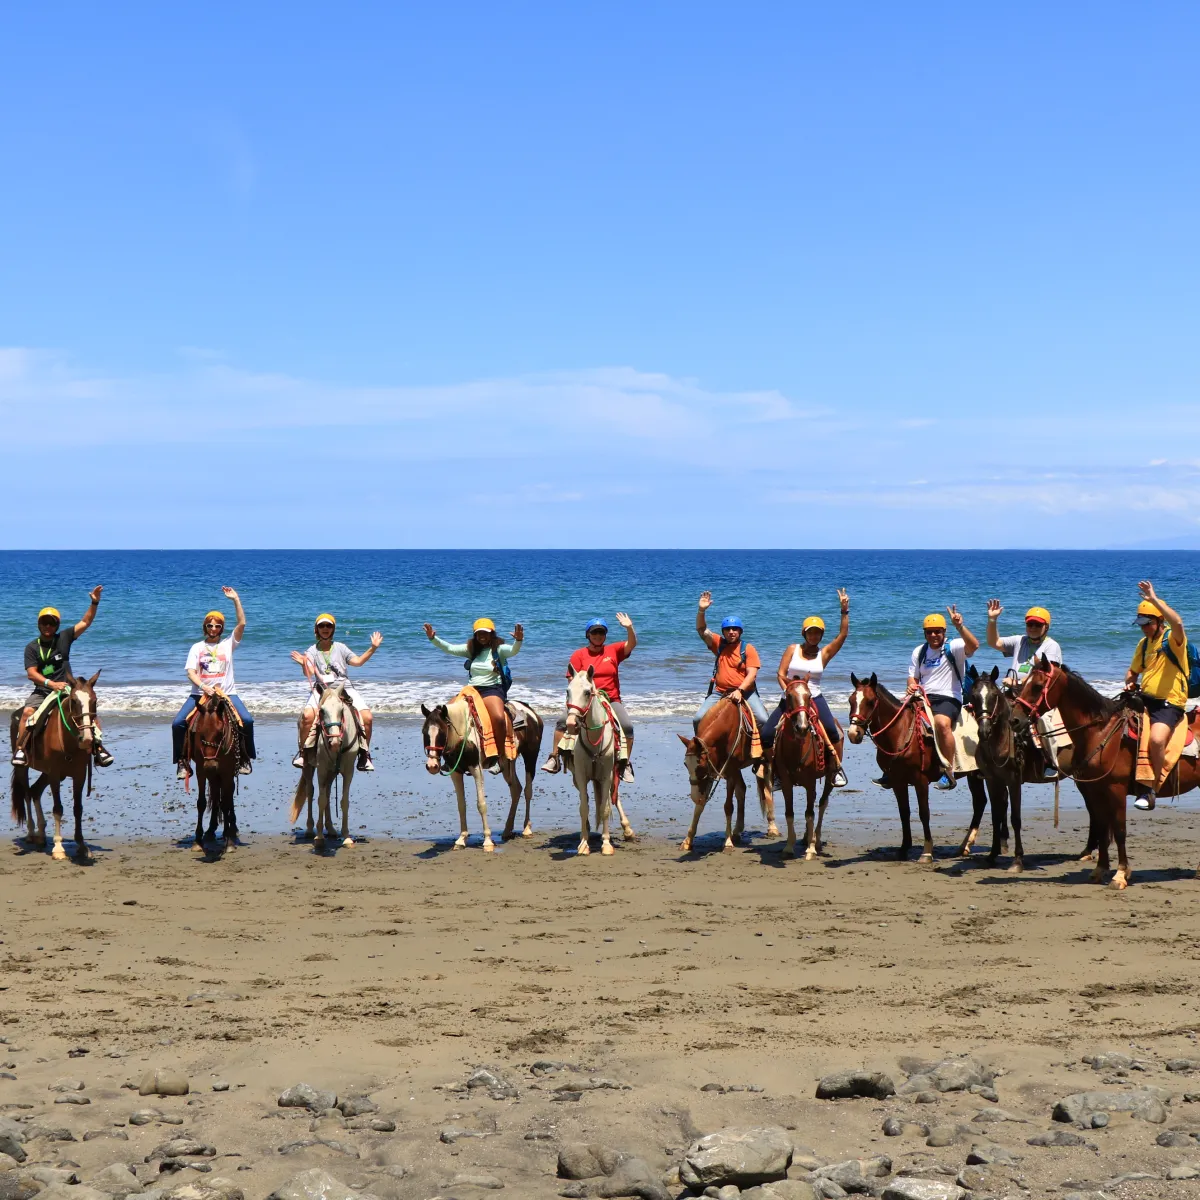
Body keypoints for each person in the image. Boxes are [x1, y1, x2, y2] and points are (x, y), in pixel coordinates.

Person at [12, 587, 114, 768]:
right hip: (43, 691)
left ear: (57, 625)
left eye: (51, 623)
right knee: (28, 713)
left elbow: (85, 622)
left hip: (68, 690)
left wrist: (94, 602)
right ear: (39, 624)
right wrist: (51, 683)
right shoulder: (32, 648)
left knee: (88, 712)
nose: (47, 626)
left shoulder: (64, 638)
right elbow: (31, 673)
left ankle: (98, 748)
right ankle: (21, 748)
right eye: (44, 623)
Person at [761, 590, 850, 788]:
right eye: (810, 632)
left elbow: (843, 635)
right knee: (767, 734)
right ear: (804, 633)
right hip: (791, 699)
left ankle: (835, 769)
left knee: (833, 733)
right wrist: (789, 692)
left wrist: (844, 611)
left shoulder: (824, 653)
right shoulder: (793, 649)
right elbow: (780, 673)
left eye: (817, 632)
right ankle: (774, 772)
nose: (814, 635)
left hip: (814, 697)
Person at [171, 588, 255, 780]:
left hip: (227, 693)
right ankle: (182, 762)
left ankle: (244, 758)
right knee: (177, 724)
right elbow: (190, 672)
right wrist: (203, 686)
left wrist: (236, 599)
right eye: (210, 625)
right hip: (199, 695)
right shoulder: (197, 647)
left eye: (217, 626)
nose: (213, 629)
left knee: (247, 721)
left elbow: (242, 623)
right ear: (205, 627)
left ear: (222, 628)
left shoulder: (228, 644)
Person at [542, 614, 637, 782]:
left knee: (627, 727)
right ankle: (554, 757)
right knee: (562, 722)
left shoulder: (613, 650)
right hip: (585, 700)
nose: (598, 636)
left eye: (601, 633)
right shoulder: (578, 655)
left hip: (610, 698)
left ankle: (625, 764)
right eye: (594, 633)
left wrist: (629, 628)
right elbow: (573, 683)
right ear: (588, 635)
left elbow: (631, 645)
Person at [423, 617, 523, 774]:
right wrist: (433, 638)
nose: (482, 636)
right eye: (479, 634)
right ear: (475, 635)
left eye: (486, 633)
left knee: (497, 717)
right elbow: (449, 648)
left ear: (492, 634)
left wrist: (518, 640)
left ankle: (498, 757)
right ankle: (449, 758)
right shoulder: (471, 649)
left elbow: (513, 651)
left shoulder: (499, 649)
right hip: (471, 690)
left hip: (492, 689)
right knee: (445, 713)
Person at [1125, 580, 1189, 811]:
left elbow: (1178, 622)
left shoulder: (1174, 640)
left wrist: (1155, 600)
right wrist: (1130, 679)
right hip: (1145, 699)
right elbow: (1134, 670)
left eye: (1147, 623)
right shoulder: (1144, 644)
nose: (1144, 628)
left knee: (1156, 740)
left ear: (1159, 621)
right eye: (1141, 624)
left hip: (1169, 703)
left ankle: (1152, 789)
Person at [290, 614, 381, 772]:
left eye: (328, 626)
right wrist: (304, 663)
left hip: (344, 687)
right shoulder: (312, 650)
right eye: (322, 626)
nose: (325, 629)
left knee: (367, 717)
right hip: (322, 690)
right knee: (307, 716)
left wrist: (373, 648)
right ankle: (304, 753)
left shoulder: (341, 647)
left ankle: (364, 754)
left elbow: (358, 662)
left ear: (333, 629)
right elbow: (309, 673)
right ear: (316, 629)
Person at [985, 599, 1064, 777]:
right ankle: (984, 761)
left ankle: (1050, 762)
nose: (1033, 627)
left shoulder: (1051, 646)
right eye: (1030, 624)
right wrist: (992, 620)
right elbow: (993, 642)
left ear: (1046, 627)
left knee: (1044, 722)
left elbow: (1044, 676)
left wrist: (1017, 683)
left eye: (1037, 624)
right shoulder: (1020, 641)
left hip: (1038, 697)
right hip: (1014, 695)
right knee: (986, 715)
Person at [692, 593, 769, 768]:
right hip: (719, 692)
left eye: (735, 629)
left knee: (764, 719)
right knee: (697, 719)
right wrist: (701, 610)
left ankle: (762, 755)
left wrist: (740, 690)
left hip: (745, 692)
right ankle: (700, 748)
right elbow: (701, 630)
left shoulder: (747, 649)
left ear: (740, 631)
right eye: (728, 629)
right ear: (724, 632)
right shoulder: (719, 644)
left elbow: (752, 675)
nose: (731, 632)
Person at [906, 607, 980, 790]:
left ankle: (948, 771)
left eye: (937, 631)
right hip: (922, 697)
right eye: (929, 632)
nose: (933, 635)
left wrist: (960, 626)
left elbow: (974, 646)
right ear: (924, 633)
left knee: (941, 723)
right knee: (894, 717)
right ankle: (891, 768)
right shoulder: (919, 651)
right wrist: (911, 685)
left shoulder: (953, 647)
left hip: (949, 697)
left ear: (944, 632)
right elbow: (913, 676)